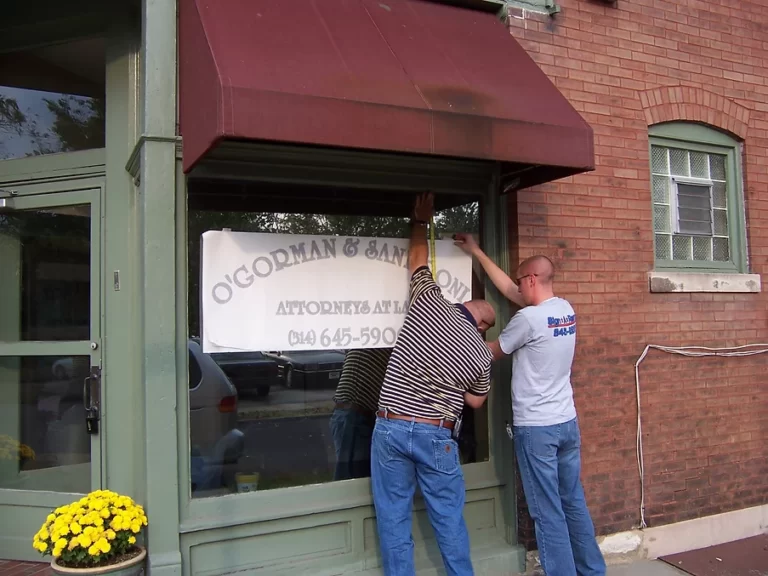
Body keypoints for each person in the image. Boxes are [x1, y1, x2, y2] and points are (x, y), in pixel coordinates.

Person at [454, 233, 606, 576]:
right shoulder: (564, 310)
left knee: (547, 511)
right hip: (566, 422)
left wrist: (455, 334)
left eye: (522, 280)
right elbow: (510, 290)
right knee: (572, 502)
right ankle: (592, 571)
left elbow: (488, 353)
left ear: (533, 279)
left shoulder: (528, 320)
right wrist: (477, 251)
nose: (518, 287)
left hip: (537, 429)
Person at [371, 192, 496, 576]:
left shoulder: (430, 303)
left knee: (393, 519)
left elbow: (417, 260)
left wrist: (421, 220)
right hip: (436, 435)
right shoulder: (480, 355)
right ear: (482, 327)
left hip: (391, 425)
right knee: (448, 520)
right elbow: (476, 403)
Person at [330, 347, 392, 480]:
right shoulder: (382, 341)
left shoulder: (369, 338)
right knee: (352, 480)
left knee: (357, 477)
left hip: (352, 412)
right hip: (356, 413)